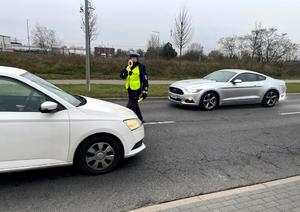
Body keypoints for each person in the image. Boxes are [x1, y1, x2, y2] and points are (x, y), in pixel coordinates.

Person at [120, 52, 148, 123]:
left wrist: (145, 90)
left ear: (137, 59)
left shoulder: (141, 67)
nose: (132, 60)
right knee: (134, 105)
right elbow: (122, 76)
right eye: (131, 58)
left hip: (136, 89)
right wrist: (126, 70)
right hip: (129, 89)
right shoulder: (128, 66)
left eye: (134, 58)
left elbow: (144, 79)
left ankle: (125, 119)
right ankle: (140, 119)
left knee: (131, 105)